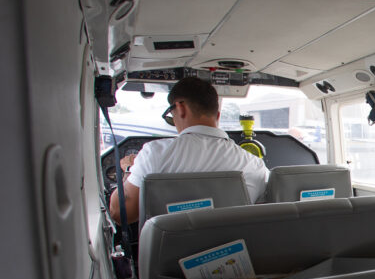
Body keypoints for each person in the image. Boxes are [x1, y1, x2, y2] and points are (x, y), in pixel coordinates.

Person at [108, 77, 269, 224]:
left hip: (169, 255)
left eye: (171, 115)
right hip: (235, 253)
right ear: (217, 115)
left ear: (181, 108)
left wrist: (129, 169)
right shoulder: (255, 164)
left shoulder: (154, 153)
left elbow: (120, 213)